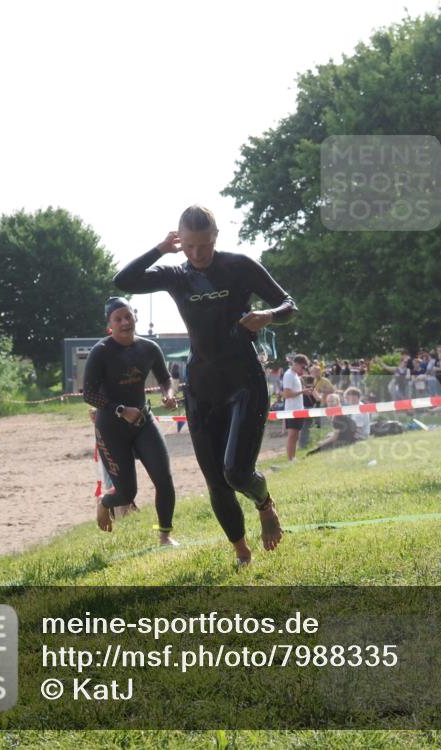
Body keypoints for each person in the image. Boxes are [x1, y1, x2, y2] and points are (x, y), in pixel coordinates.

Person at [114, 205, 296, 565]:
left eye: (205, 246)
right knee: (216, 481)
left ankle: (263, 501)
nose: (197, 254)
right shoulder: (176, 275)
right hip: (200, 387)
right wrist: (159, 250)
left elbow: (289, 304)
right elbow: (124, 281)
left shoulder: (239, 266)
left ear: (216, 237)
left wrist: (268, 316)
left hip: (244, 380)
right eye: (190, 247)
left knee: (236, 471)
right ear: (180, 241)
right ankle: (242, 553)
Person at [83, 298, 178, 546]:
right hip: (111, 428)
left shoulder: (149, 348)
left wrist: (168, 395)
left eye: (128, 316)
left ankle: (165, 536)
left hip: (143, 423)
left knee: (164, 480)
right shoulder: (101, 352)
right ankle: (105, 502)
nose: (125, 322)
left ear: (134, 317)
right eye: (118, 319)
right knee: (127, 493)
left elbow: (166, 378)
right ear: (110, 325)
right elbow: (89, 394)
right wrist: (121, 410)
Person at [282, 355, 312, 461]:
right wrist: (303, 392)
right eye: (303, 367)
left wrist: (303, 390)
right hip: (292, 410)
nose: (303, 370)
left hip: (298, 409)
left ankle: (293, 458)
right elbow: (286, 394)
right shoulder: (289, 375)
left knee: (295, 435)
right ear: (296, 364)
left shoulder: (294, 375)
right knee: (292, 435)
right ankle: (291, 459)